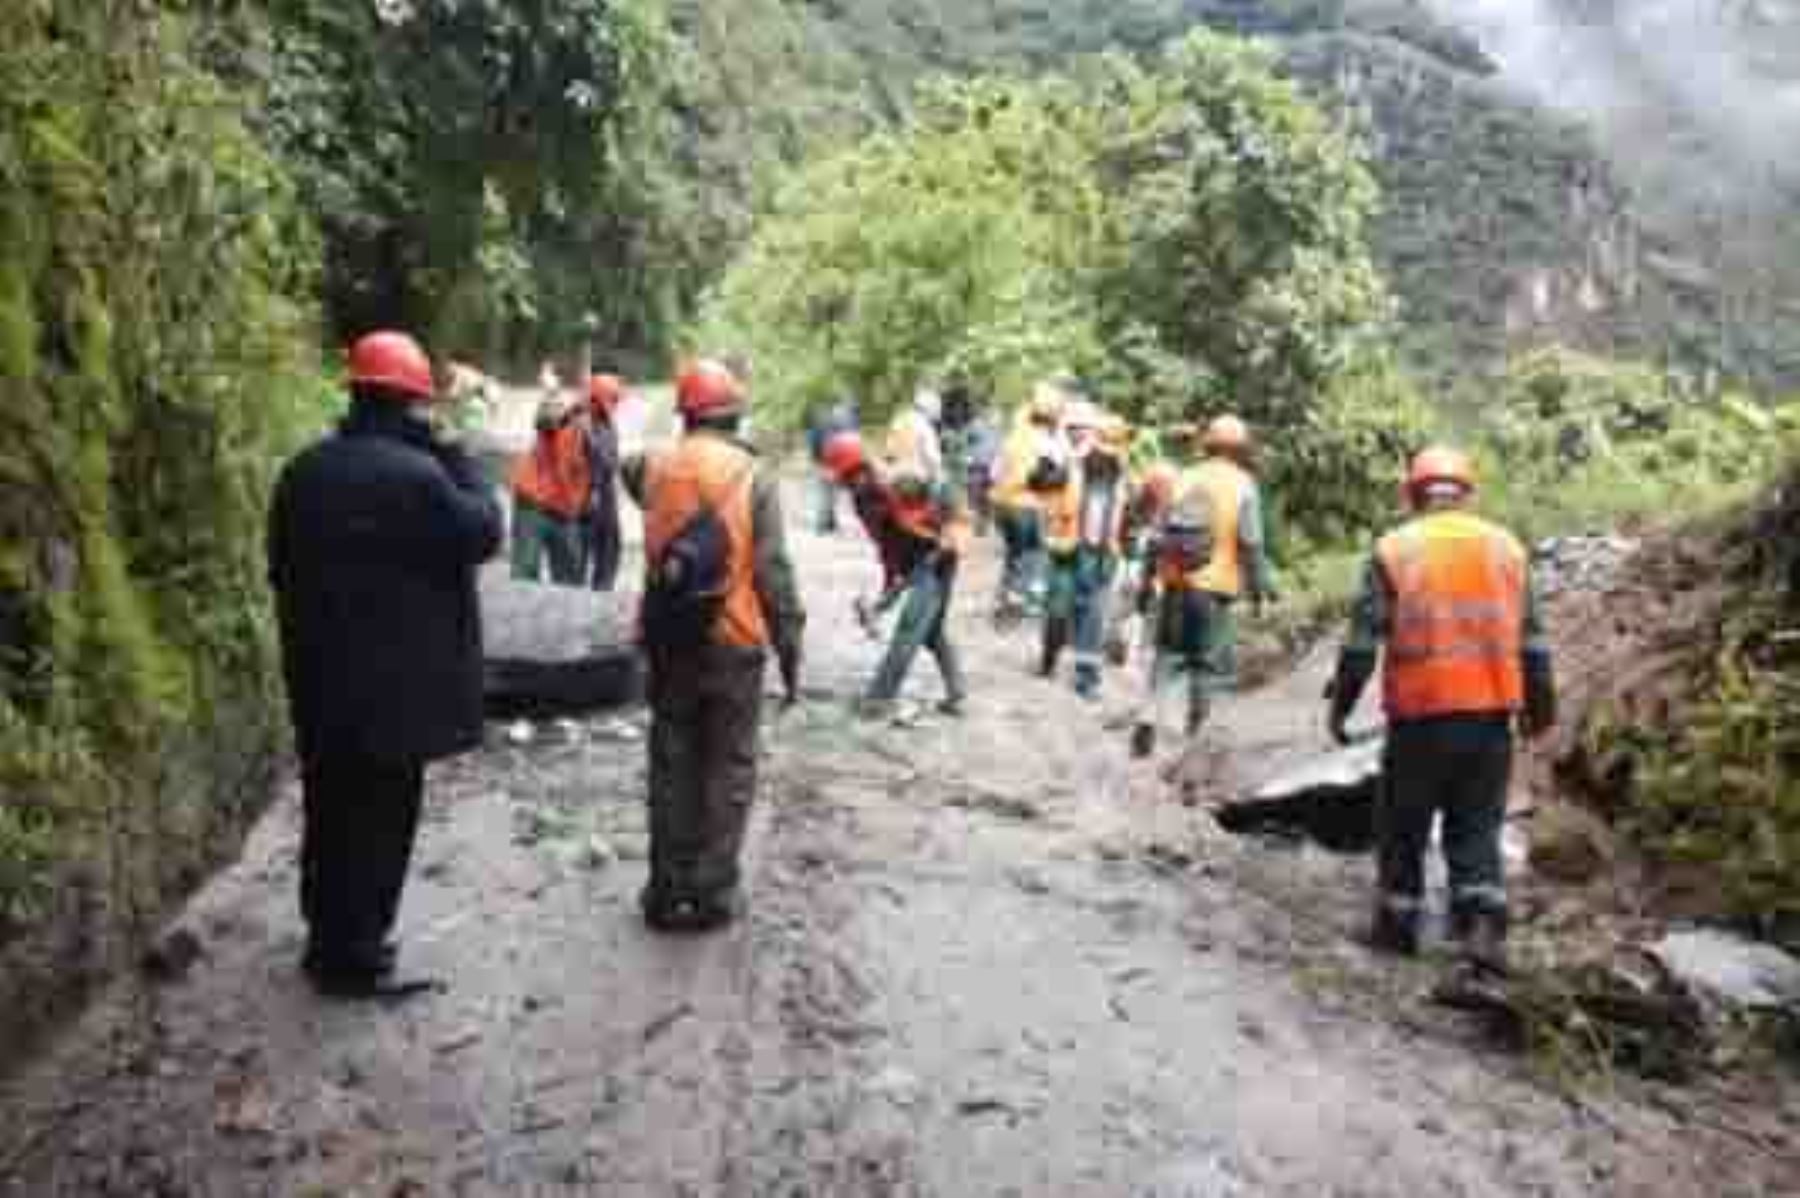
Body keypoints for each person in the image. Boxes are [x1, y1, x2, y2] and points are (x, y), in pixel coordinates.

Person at [268, 330, 502, 999]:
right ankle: (359, 956)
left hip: (318, 681)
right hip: (395, 694)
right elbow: (484, 530)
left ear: (356, 392)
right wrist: (458, 457)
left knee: (330, 807)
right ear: (414, 403)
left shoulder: (303, 471)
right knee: (382, 818)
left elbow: (278, 570)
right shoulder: (421, 477)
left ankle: (327, 940)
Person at [1325, 446, 1556, 969]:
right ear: (1467, 494)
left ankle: (1398, 924)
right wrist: (1542, 707)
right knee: (1476, 823)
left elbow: (1362, 643)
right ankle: (1479, 928)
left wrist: (1340, 707)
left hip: (1421, 714)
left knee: (1403, 821)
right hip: (1491, 714)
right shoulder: (1507, 548)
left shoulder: (1394, 547)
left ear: (1414, 493)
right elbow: (1535, 641)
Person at [622, 359, 805, 932]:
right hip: (735, 641)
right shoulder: (754, 475)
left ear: (687, 413)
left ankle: (665, 887)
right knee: (728, 767)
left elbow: (627, 468)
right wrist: (791, 649)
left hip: (669, 640)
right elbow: (774, 573)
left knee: (672, 761)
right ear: (735, 414)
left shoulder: (655, 466)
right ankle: (712, 893)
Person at [1131, 414, 1278, 760]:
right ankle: (1195, 740)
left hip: (1176, 580)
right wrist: (1260, 589)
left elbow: (1160, 533)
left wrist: (1149, 579)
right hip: (1215, 587)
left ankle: (1148, 715)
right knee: (1206, 666)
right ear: (1240, 449)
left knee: (1167, 656)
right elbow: (1251, 542)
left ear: (1208, 445)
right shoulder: (1244, 484)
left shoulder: (1185, 477)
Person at [821, 433, 971, 720]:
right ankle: (957, 693)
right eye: (847, 479)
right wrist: (888, 586)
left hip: (938, 556)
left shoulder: (904, 480)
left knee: (910, 626)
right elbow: (885, 543)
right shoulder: (861, 502)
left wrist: (953, 535)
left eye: (857, 474)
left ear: (866, 465)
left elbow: (954, 506)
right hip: (909, 560)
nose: (855, 482)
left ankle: (879, 699)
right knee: (931, 631)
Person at [1040, 411, 1131, 700]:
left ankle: (1086, 677)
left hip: (1101, 552)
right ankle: (1050, 655)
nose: (1106, 457)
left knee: (1093, 613)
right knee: (1058, 609)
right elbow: (1044, 489)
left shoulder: (1123, 473)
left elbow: (1127, 512)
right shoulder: (1071, 464)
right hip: (1066, 548)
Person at [989, 383, 1068, 622]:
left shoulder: (1013, 437)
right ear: (1052, 417)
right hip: (1028, 504)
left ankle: (1004, 597)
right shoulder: (1047, 442)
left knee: (1014, 553)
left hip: (1001, 504)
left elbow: (994, 472)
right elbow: (1062, 471)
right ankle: (1022, 598)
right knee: (1037, 553)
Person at [510, 393, 591, 586]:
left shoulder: (599, 436)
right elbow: (545, 419)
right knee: (525, 572)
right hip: (533, 502)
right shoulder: (562, 420)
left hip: (565, 509)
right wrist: (570, 414)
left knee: (571, 578)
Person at [585, 373, 626, 591]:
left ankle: (602, 587)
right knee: (592, 548)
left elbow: (611, 459)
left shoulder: (606, 422)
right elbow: (599, 459)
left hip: (605, 491)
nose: (615, 406)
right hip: (589, 493)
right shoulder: (583, 423)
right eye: (613, 400)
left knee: (611, 546)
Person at [805, 394, 857, 534]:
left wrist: (815, 460)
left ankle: (830, 523)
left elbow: (812, 444)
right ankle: (821, 525)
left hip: (821, 462)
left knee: (827, 493)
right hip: (828, 462)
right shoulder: (835, 425)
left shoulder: (817, 426)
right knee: (827, 494)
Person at [885, 387, 946, 488]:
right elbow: (932, 457)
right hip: (917, 480)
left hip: (894, 477)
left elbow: (889, 450)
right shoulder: (925, 426)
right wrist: (941, 476)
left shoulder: (898, 420)